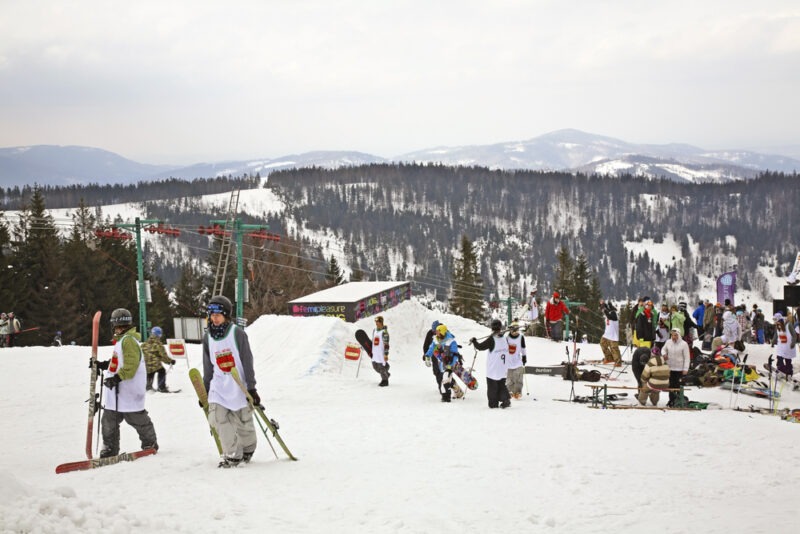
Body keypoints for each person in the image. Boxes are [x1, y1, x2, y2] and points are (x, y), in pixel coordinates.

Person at [202, 295, 260, 468]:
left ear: (226, 315)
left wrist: (252, 388)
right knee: (217, 418)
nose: (214, 318)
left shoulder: (237, 334)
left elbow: (247, 361)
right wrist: (205, 391)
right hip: (218, 385)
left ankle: (248, 448)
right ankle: (232, 454)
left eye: (218, 314)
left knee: (242, 420)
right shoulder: (208, 337)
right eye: (211, 315)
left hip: (238, 383)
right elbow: (208, 367)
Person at [95, 308, 158, 458]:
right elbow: (120, 361)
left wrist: (117, 378)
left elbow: (131, 365)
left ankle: (150, 443)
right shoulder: (123, 340)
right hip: (117, 392)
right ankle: (110, 448)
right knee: (108, 420)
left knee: (136, 418)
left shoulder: (128, 340)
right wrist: (105, 365)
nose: (117, 329)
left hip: (128, 389)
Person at [470, 319, 511, 409]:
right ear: (500, 328)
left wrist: (474, 341)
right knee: (501, 384)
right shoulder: (504, 339)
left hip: (493, 368)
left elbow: (480, 347)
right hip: (503, 367)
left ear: (492, 328)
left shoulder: (492, 339)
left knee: (492, 386)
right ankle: (505, 400)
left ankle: (493, 404)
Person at [425, 324, 461, 402]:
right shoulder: (436, 340)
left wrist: (451, 365)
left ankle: (446, 397)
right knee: (447, 379)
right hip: (442, 363)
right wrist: (427, 356)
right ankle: (458, 391)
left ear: (443, 332)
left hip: (450, 363)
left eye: (438, 332)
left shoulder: (451, 341)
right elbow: (431, 349)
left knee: (445, 378)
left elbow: (455, 354)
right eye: (436, 332)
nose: (436, 333)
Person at [142, 326, 177, 392]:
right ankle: (161, 387)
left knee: (149, 372)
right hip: (154, 364)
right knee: (162, 371)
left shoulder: (145, 343)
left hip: (146, 364)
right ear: (159, 335)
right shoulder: (158, 344)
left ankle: (148, 386)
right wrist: (170, 361)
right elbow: (163, 356)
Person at [662, 328, 690, 407]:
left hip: (679, 369)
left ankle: (679, 400)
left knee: (678, 385)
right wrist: (664, 354)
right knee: (671, 386)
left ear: (679, 335)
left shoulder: (684, 344)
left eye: (675, 335)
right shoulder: (668, 342)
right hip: (670, 368)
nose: (673, 337)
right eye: (672, 335)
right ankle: (671, 400)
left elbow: (687, 358)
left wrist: (685, 369)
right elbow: (663, 349)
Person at [505, 320, 526, 399]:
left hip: (518, 361)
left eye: (517, 331)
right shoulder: (507, 338)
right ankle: (510, 392)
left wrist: (524, 356)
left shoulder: (521, 337)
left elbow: (523, 348)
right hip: (509, 361)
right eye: (514, 331)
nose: (515, 332)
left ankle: (518, 392)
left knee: (518, 377)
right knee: (510, 379)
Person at [772, 313, 796, 378]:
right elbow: (776, 334)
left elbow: (794, 334)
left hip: (788, 346)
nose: (775, 321)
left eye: (775, 319)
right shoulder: (777, 326)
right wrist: (773, 341)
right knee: (779, 359)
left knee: (788, 360)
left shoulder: (788, 325)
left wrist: (793, 342)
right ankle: (781, 370)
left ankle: (789, 373)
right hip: (781, 346)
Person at [423, 320, 444, 391]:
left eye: (435, 331)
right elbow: (425, 345)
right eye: (433, 331)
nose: (434, 332)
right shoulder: (430, 333)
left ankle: (445, 385)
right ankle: (441, 385)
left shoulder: (443, 331)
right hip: (434, 355)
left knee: (443, 371)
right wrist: (426, 355)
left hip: (444, 354)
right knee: (436, 371)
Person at [599, 300, 622, 366]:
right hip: (607, 334)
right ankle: (609, 358)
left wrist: (604, 309)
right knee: (602, 344)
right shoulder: (608, 311)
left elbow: (610, 316)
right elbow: (605, 307)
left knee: (614, 348)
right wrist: (602, 304)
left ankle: (618, 361)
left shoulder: (613, 313)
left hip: (613, 335)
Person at [371, 316, 390, 387]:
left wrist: (386, 354)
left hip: (381, 353)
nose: (376, 323)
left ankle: (385, 380)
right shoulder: (374, 330)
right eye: (376, 322)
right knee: (375, 366)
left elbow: (386, 344)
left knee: (381, 367)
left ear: (381, 322)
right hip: (375, 352)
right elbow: (373, 341)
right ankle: (386, 372)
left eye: (378, 322)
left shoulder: (384, 332)